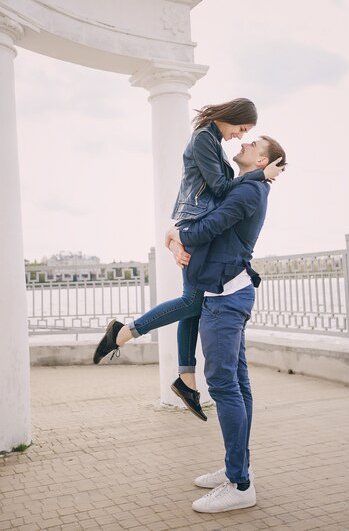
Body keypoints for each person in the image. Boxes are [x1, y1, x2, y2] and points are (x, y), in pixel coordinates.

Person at [93, 98, 283, 418]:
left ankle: (185, 378)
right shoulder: (203, 140)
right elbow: (221, 187)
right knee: (191, 303)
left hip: (194, 227)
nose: (240, 135)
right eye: (242, 128)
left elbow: (214, 193)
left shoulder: (212, 141)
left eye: (247, 133)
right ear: (234, 118)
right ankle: (123, 333)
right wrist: (259, 177)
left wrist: (175, 231)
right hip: (195, 228)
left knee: (192, 305)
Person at [166, 135, 287, 513]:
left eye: (254, 143)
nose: (245, 143)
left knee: (224, 386)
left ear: (263, 160)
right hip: (230, 293)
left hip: (225, 299)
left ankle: (239, 483)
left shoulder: (249, 192)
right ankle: (237, 467)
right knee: (237, 384)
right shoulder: (250, 186)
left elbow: (207, 228)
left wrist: (174, 236)